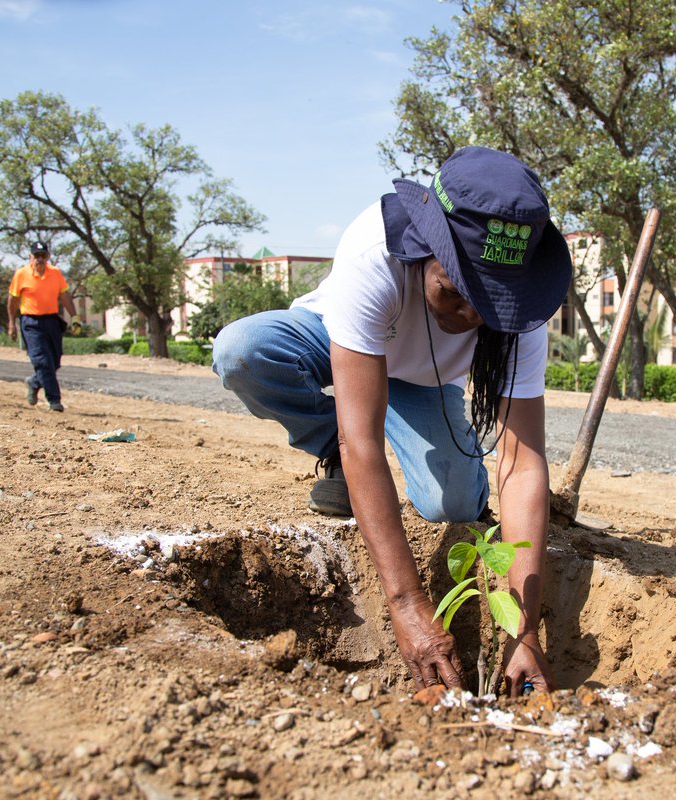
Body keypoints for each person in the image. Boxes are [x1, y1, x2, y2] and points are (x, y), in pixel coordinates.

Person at [212, 146, 572, 696]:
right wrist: (405, 603)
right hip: (344, 345)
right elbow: (365, 442)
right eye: (454, 292)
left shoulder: (522, 312)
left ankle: (450, 474)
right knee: (245, 350)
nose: (470, 316)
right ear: (426, 248)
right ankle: (326, 455)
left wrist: (524, 632)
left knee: (450, 505)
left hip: (424, 380)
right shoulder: (373, 252)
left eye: (488, 303)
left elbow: (522, 467)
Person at [7, 240, 79, 413]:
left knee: (55, 360)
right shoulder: (21, 274)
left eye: (43, 256)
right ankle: (54, 400)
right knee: (42, 361)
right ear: (30, 257)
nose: (39, 259)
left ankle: (34, 382)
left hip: (52, 321)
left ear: (47, 257)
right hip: (31, 322)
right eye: (36, 256)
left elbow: (65, 296)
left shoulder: (55, 273)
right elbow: (12, 300)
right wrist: (11, 323)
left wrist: (75, 316)